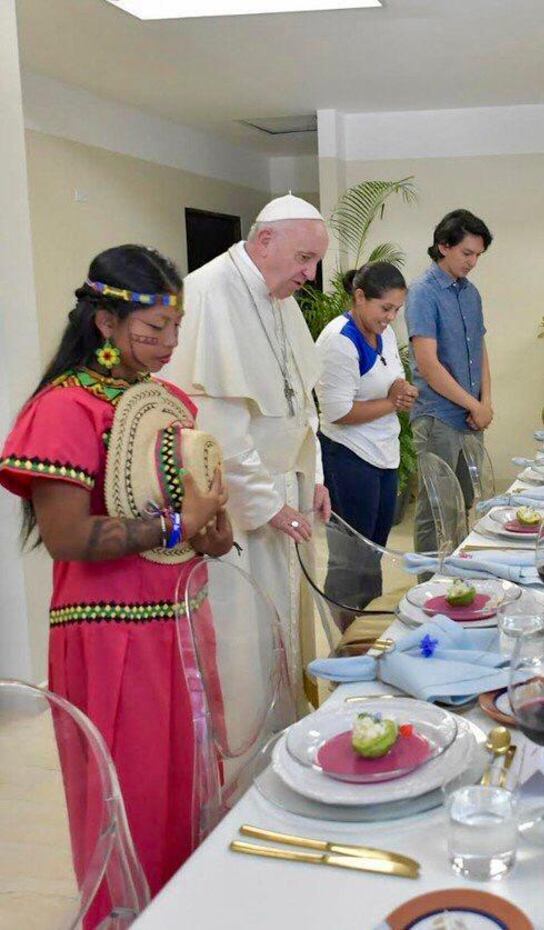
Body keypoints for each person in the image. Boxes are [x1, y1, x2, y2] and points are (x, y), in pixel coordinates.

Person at [0, 246, 233, 920]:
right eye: (150, 331)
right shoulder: (65, 408)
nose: (165, 346)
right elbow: (68, 537)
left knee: (188, 783)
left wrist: (213, 526)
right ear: (105, 322)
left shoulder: (169, 403)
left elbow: (203, 511)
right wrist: (173, 524)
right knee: (125, 795)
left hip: (179, 617)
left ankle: (186, 910)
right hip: (108, 630)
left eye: (173, 331)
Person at [159, 194, 330, 702]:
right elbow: (217, 430)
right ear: (264, 240)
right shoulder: (210, 292)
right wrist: (267, 504)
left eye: (315, 261)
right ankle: (249, 764)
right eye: (305, 259)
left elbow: (302, 406)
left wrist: (313, 475)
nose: (310, 275)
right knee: (248, 642)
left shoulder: (277, 299)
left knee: (287, 626)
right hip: (241, 510)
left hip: (285, 491)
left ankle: (288, 736)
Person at [315, 262, 418, 616]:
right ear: (360, 297)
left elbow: (395, 376)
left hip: (383, 454)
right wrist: (391, 402)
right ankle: (345, 634)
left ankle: (367, 625)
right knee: (351, 559)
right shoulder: (340, 341)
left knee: (374, 552)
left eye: (396, 310)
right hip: (348, 457)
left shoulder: (384, 332)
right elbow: (337, 412)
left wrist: (402, 391)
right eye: (385, 308)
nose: (390, 317)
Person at [406, 209, 493, 559]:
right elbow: (428, 365)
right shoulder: (423, 293)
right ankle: (431, 587)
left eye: (478, 256)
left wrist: (485, 401)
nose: (473, 262)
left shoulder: (470, 293)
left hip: (472, 416)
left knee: (467, 501)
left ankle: (457, 577)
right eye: (466, 253)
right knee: (438, 507)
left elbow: (480, 348)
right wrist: (475, 405)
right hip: (438, 416)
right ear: (443, 246)